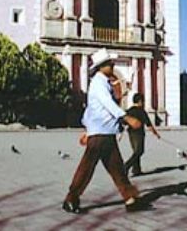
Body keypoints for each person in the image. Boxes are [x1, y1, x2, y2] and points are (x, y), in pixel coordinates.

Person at [62, 48, 147, 214]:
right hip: (101, 133)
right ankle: (71, 198)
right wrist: (127, 118)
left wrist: (88, 129)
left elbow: (91, 111)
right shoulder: (98, 84)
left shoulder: (102, 83)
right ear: (101, 66)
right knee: (87, 167)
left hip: (105, 132)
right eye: (109, 63)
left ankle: (130, 198)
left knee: (117, 168)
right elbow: (108, 105)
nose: (112, 65)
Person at [124, 93, 161, 176]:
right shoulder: (141, 111)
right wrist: (156, 134)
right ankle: (126, 166)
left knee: (135, 151)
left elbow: (124, 122)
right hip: (138, 134)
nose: (143, 103)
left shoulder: (129, 110)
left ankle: (136, 169)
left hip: (130, 133)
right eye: (143, 101)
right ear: (140, 101)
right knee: (139, 151)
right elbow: (148, 124)